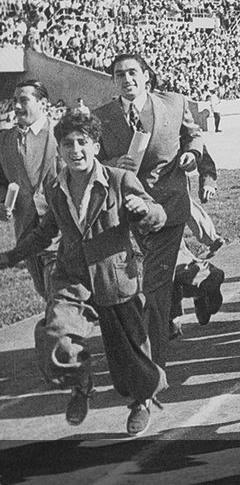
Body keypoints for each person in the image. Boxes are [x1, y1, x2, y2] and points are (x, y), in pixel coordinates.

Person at [0, 111, 167, 436]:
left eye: (82, 143)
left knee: (129, 353)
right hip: (72, 278)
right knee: (55, 333)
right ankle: (80, 384)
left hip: (114, 277)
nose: (75, 150)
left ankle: (141, 401)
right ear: (59, 150)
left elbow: (157, 214)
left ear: (95, 145)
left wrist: (144, 210)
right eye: (67, 144)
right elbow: (45, 231)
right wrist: (11, 255)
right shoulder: (56, 187)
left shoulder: (119, 180)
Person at [94, 53, 203, 369]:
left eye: (132, 73)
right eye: (119, 74)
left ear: (146, 76)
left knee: (152, 285)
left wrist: (191, 155)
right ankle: (205, 278)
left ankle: (152, 362)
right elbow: (92, 158)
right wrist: (111, 164)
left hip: (168, 206)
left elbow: (193, 136)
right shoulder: (103, 117)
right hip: (128, 209)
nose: (126, 79)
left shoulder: (173, 103)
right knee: (157, 276)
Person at [0, 80, 62, 300]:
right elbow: (2, 182)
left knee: (59, 295)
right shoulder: (5, 139)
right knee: (45, 293)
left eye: (23, 100)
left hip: (58, 232)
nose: (16, 106)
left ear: (43, 103)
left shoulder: (62, 134)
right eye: (14, 100)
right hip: (25, 231)